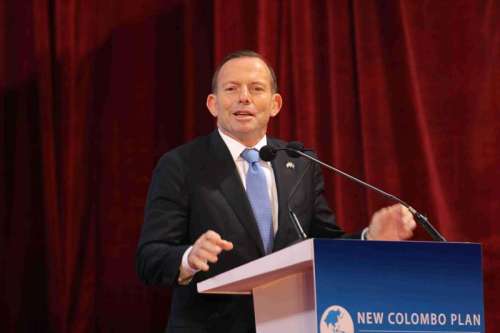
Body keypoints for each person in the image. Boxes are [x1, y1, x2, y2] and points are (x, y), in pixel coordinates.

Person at [136, 50, 416, 333]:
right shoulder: (181, 165)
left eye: (256, 89)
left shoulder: (300, 163)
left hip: (292, 323)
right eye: (231, 88)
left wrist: (370, 238)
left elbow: (325, 245)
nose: (244, 97)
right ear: (213, 104)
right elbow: (150, 257)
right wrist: (188, 258)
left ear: (275, 104)